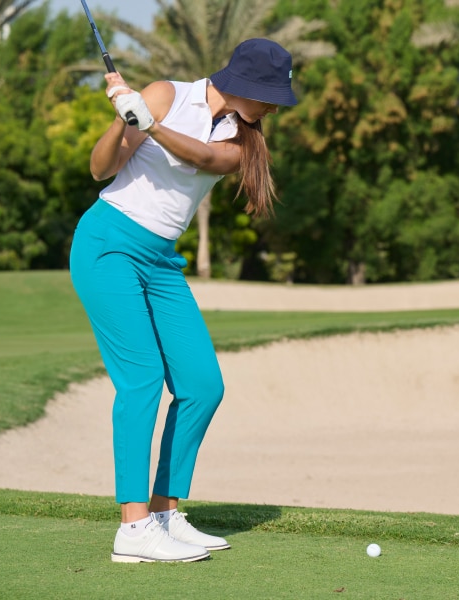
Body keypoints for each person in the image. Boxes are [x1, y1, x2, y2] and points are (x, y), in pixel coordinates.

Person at [69, 38, 297, 563]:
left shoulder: (240, 139)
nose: (272, 109)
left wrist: (149, 125)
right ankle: (133, 529)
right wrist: (123, 120)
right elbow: (100, 169)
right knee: (142, 379)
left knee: (202, 385)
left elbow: (203, 157)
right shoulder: (165, 95)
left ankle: (164, 513)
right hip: (108, 245)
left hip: (160, 260)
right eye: (269, 97)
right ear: (243, 83)